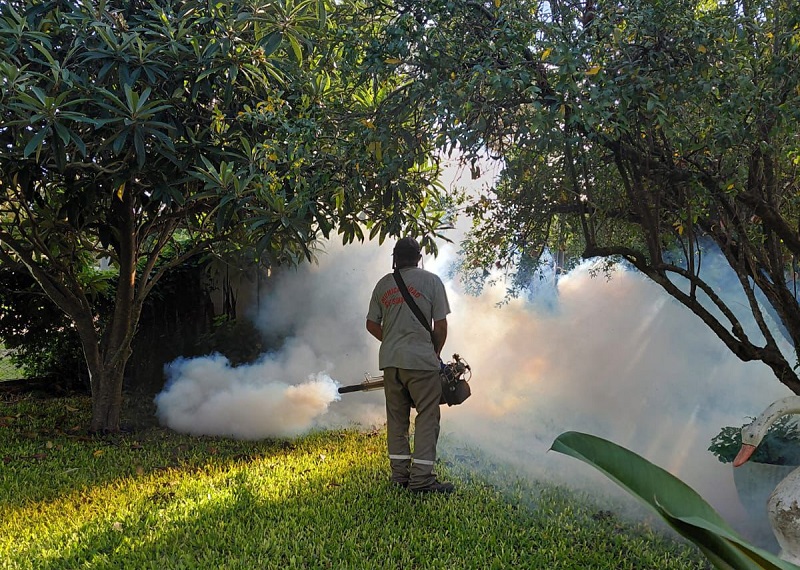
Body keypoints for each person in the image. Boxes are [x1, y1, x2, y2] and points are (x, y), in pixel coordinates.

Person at [366, 237, 454, 494]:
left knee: (396, 419)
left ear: (395, 258)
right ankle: (422, 480)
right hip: (421, 362)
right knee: (427, 417)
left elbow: (371, 324)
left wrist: (392, 341)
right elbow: (441, 325)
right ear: (419, 257)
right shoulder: (432, 281)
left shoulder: (383, 285)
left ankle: (399, 477)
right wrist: (434, 352)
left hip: (391, 363)